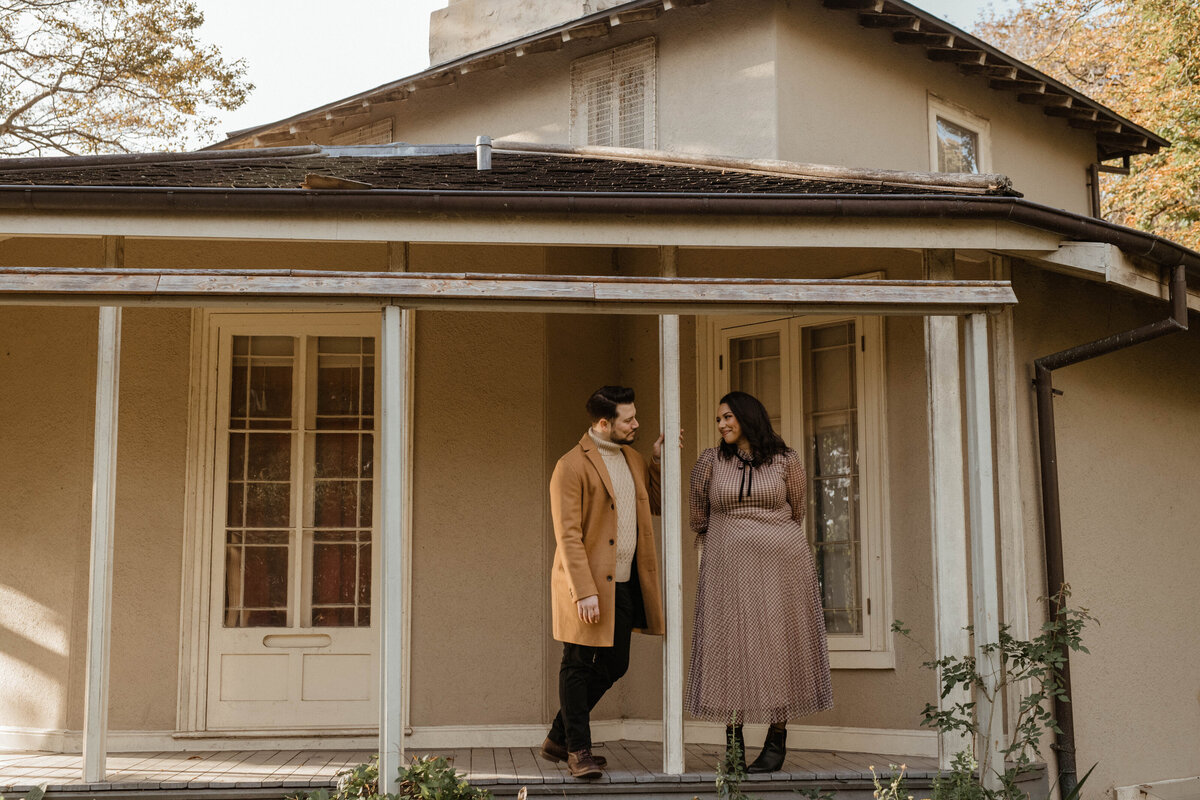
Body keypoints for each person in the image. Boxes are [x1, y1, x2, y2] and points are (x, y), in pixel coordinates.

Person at [685, 390, 833, 774]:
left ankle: (776, 737)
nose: (722, 424)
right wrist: (729, 542)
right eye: (718, 419)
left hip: (782, 567)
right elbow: (698, 516)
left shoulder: (787, 460)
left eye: (728, 417)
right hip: (726, 569)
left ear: (749, 417)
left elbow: (797, 511)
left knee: (779, 644)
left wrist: (765, 541)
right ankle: (733, 742)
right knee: (730, 646)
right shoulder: (710, 460)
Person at [540, 385, 667, 779]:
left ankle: (560, 736)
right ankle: (578, 751)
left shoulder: (632, 458)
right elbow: (568, 535)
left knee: (616, 662)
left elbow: (656, 505)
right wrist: (585, 591)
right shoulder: (570, 466)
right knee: (577, 662)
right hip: (586, 586)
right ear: (602, 423)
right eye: (628, 419)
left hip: (625, 582)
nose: (636, 424)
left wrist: (658, 463)